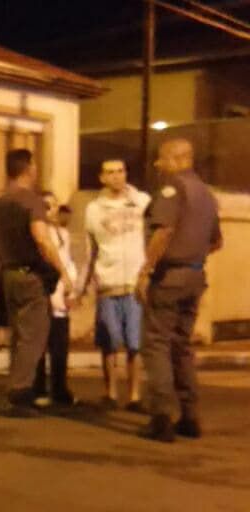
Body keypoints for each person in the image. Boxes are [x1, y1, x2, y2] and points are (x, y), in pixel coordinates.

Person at [136, 139, 222, 442]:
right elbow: (216, 242)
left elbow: (164, 230)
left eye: (162, 159)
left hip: (169, 278)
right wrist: (191, 256)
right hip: (195, 276)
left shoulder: (173, 189)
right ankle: (189, 415)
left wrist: (146, 270)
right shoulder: (207, 194)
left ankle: (161, 417)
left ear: (177, 159)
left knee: (156, 343)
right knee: (182, 345)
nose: (157, 165)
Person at [0, 149, 74, 416]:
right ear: (29, 168)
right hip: (30, 275)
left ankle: (15, 386)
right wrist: (62, 271)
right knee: (34, 337)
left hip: (9, 273)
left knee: (18, 335)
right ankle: (19, 393)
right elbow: (41, 239)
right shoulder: (30, 200)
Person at [82, 159, 151, 412]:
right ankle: (110, 392)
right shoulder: (94, 209)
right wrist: (84, 283)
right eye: (110, 172)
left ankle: (134, 396)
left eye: (120, 171)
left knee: (135, 344)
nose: (116, 176)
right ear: (102, 177)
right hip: (108, 283)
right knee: (109, 342)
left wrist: (149, 273)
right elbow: (90, 248)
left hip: (135, 284)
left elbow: (153, 237)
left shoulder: (142, 201)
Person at [33, 193, 79, 407]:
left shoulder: (63, 233)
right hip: (43, 292)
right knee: (40, 344)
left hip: (61, 293)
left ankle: (60, 389)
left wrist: (71, 291)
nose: (50, 210)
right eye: (46, 206)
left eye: (54, 206)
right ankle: (38, 388)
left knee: (59, 345)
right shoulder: (36, 233)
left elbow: (68, 262)